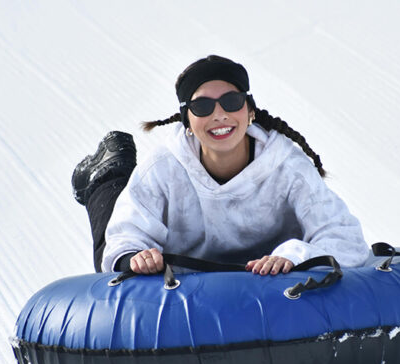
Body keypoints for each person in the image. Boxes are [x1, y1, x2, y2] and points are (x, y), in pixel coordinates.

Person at [72, 55, 369, 275]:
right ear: (187, 120)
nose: (219, 115)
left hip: (269, 282)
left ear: (249, 110)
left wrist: (296, 254)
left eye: (231, 101)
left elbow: (345, 238)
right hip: (185, 283)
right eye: (202, 106)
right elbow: (126, 235)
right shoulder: (164, 167)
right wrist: (134, 256)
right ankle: (109, 172)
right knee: (107, 263)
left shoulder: (287, 167)